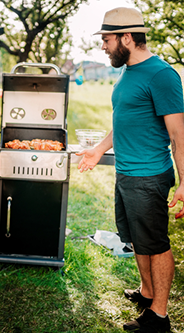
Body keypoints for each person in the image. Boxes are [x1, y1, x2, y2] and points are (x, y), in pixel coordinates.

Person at [76, 7, 184, 333]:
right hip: (127, 173)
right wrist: (98, 149)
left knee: (155, 243)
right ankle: (147, 291)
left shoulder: (161, 75)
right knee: (136, 240)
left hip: (149, 175)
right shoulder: (126, 72)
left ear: (127, 37)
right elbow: (124, 120)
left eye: (107, 40)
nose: (103, 47)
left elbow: (179, 134)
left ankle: (159, 316)